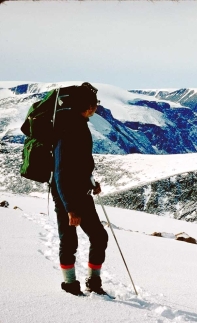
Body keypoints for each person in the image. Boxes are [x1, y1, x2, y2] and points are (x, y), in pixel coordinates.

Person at [51, 82, 109, 296]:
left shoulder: (79, 124)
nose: (95, 108)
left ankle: (92, 283)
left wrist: (90, 181)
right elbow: (61, 171)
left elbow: (80, 163)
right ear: (87, 106)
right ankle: (70, 285)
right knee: (69, 241)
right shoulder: (69, 128)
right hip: (66, 196)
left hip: (80, 192)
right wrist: (70, 208)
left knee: (99, 236)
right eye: (94, 104)